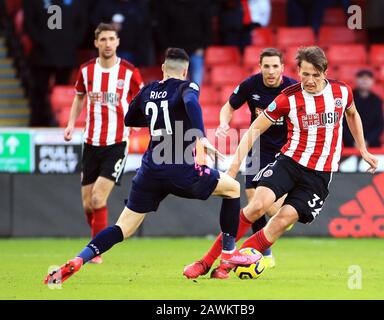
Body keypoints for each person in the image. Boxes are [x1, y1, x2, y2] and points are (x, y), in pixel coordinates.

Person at [44, 48, 260, 285]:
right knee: (233, 189)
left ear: (163, 69)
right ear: (185, 71)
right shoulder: (187, 87)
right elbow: (190, 102)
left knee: (123, 228)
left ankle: (79, 259)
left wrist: (156, 116)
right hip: (180, 168)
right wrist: (201, 136)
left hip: (149, 170)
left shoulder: (148, 90)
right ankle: (228, 253)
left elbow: (129, 119)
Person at [189, 46, 379, 279]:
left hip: (319, 174)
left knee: (281, 221)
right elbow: (253, 130)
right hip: (289, 163)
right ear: (298, 71)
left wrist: (363, 149)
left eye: (315, 75)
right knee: (257, 206)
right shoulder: (287, 98)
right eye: (305, 74)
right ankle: (206, 261)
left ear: (325, 73)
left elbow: (352, 114)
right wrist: (232, 169)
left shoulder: (342, 93)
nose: (309, 80)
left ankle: (226, 266)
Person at [183, 48, 296, 278]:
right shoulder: (251, 85)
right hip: (256, 148)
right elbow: (228, 106)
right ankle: (264, 254)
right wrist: (224, 122)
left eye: (275, 66)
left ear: (283, 68)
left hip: (284, 150)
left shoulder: (293, 89)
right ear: (260, 66)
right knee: (253, 202)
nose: (271, 71)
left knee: (272, 208)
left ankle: (282, 221)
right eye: (267, 66)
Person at [63, 23, 144, 264]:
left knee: (99, 198)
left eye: (112, 39)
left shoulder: (129, 72)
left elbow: (143, 98)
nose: (108, 44)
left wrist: (140, 120)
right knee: (88, 203)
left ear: (118, 42)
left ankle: (95, 250)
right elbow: (79, 98)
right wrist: (70, 124)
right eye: (103, 39)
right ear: (96, 43)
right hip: (90, 143)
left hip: (117, 143)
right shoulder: (86, 71)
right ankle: (95, 241)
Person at [23, 0, 87, 126]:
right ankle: (38, 121)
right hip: (42, 55)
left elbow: (82, 23)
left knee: (63, 90)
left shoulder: (76, 2)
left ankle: (61, 121)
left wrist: (72, 43)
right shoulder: (35, 2)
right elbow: (29, 23)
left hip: (66, 56)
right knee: (39, 90)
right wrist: (40, 42)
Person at [343, 69, 384, 148]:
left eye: (368, 78)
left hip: (371, 143)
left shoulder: (377, 100)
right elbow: (342, 122)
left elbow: (380, 125)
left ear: (373, 81)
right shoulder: (347, 97)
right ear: (356, 80)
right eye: (361, 77)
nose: (364, 80)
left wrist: (367, 141)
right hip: (348, 144)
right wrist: (353, 141)